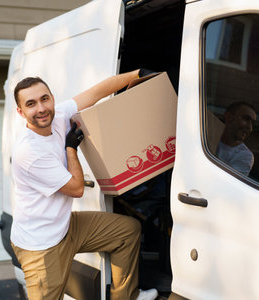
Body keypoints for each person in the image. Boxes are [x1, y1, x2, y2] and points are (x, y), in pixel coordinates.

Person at [10, 69, 158, 300]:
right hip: (40, 245)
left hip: (64, 226)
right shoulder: (29, 152)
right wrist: (71, 148)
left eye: (44, 99)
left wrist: (138, 74)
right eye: (31, 104)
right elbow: (77, 188)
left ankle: (126, 296)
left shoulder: (57, 115)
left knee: (127, 231)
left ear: (52, 98)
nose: (40, 108)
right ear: (21, 112)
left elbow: (97, 92)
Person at [216, 101, 257, 176]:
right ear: (228, 117)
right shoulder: (207, 135)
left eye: (252, 123)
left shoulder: (245, 155)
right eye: (246, 119)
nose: (250, 127)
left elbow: (227, 182)